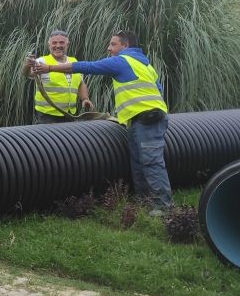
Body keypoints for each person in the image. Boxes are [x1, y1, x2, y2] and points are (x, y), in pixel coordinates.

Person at [33, 30, 172, 213]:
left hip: (146, 119)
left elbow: (89, 67)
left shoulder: (121, 61)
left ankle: (162, 206)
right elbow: (158, 90)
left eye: (113, 44)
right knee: (138, 161)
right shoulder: (145, 64)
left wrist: (50, 68)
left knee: (151, 162)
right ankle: (144, 201)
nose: (109, 48)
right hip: (143, 119)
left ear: (125, 46)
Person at [21, 29, 92, 124]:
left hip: (70, 114)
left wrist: (85, 99)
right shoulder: (42, 61)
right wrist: (27, 64)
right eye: (54, 43)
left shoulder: (74, 61)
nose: (58, 46)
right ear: (49, 45)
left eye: (61, 42)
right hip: (47, 116)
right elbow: (27, 74)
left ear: (67, 44)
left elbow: (81, 83)